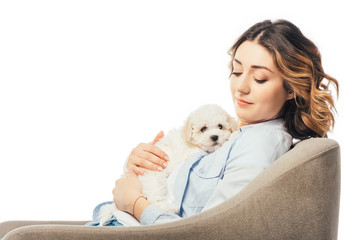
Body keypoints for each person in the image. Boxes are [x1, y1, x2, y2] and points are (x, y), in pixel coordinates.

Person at [90, 19, 339, 226]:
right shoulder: (238, 136)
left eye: (260, 78)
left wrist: (134, 203)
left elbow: (211, 231)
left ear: (290, 89)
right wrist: (140, 164)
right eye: (237, 71)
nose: (240, 88)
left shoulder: (259, 143)